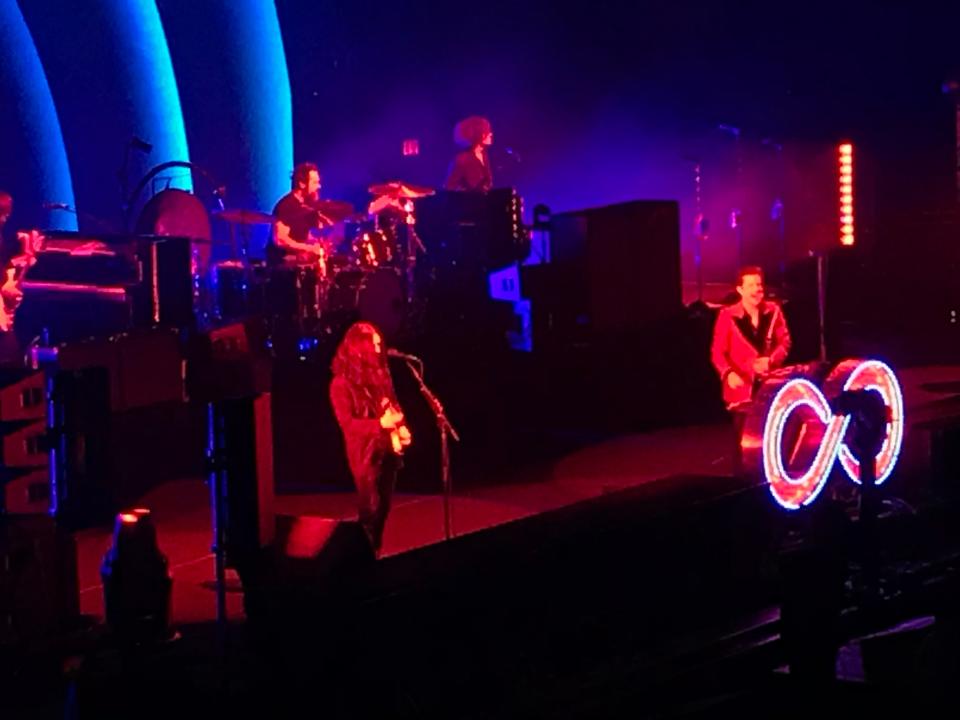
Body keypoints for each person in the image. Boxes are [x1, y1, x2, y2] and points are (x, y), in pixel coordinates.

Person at [329, 322, 411, 555]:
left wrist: (402, 426)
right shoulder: (341, 384)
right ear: (360, 348)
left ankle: (374, 550)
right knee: (370, 508)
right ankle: (364, 557)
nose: (378, 349)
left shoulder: (380, 374)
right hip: (364, 453)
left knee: (384, 507)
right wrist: (379, 425)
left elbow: (392, 402)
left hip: (387, 446)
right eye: (373, 344)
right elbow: (348, 425)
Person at [711, 266, 792, 470]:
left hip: (768, 385)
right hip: (742, 389)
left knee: (770, 438)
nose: (757, 289)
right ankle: (742, 481)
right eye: (751, 285)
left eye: (759, 284)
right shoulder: (727, 316)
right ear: (740, 290)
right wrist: (727, 374)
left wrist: (771, 360)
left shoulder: (773, 311)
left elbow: (785, 343)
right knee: (743, 441)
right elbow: (717, 352)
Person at [267, 162, 333, 266]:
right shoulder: (286, 206)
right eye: (315, 183)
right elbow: (280, 240)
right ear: (302, 184)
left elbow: (300, 235)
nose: (319, 186)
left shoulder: (305, 206)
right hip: (283, 264)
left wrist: (317, 242)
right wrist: (309, 248)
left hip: (298, 260)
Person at [444, 116, 494, 192]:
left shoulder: (484, 155)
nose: (491, 134)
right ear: (478, 135)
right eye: (486, 132)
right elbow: (449, 187)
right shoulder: (462, 159)